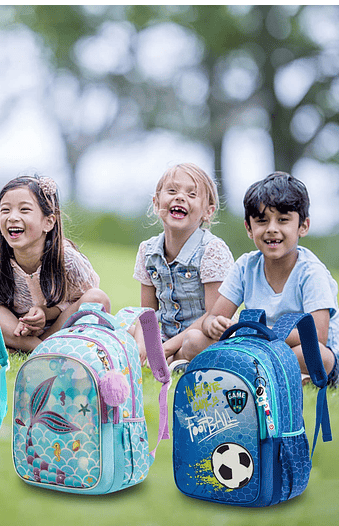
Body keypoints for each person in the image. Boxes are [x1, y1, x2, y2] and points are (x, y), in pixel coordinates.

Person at [202, 172, 339, 386]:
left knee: (317, 355)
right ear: (249, 227)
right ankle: (267, 373)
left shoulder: (312, 273)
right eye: (261, 221)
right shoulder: (246, 266)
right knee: (195, 341)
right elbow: (213, 316)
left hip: (307, 353)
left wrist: (260, 333)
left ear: (303, 226)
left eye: (283, 220)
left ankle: (253, 372)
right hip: (257, 347)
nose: (272, 229)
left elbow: (317, 337)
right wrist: (214, 325)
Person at [0, 175, 110, 352]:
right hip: (21, 333)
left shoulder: (68, 260)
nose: (12, 217)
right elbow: (2, 309)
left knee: (97, 297)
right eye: (5, 210)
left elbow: (88, 301)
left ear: (48, 222)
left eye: (24, 210)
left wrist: (46, 312)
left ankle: (35, 347)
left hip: (61, 329)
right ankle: (40, 349)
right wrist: (25, 323)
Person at [133, 162, 234, 372]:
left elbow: (214, 314)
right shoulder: (147, 251)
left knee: (194, 342)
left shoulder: (211, 250)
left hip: (206, 335)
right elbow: (148, 313)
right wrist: (146, 346)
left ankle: (175, 360)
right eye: (172, 191)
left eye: (192, 194)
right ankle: (172, 362)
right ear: (156, 202)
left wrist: (166, 348)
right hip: (167, 334)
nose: (180, 197)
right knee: (127, 331)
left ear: (208, 211)